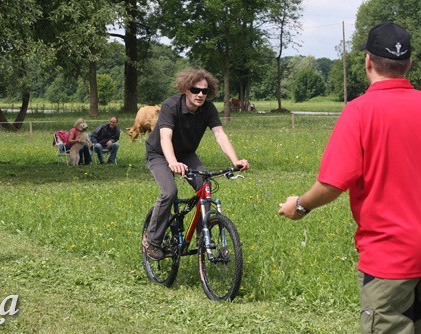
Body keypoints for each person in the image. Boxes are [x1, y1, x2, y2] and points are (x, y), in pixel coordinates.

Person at [278, 22, 421, 333]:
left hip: (390, 258)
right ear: (409, 64)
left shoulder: (360, 111)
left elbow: (331, 184)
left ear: (368, 62)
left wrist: (299, 206)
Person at [142, 67, 249, 260]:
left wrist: (236, 160)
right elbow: (165, 137)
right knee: (170, 192)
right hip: (159, 153)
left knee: (204, 188)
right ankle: (152, 241)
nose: (200, 95)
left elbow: (219, 134)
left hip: (187, 153)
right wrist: (173, 162)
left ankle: (203, 237)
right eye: (195, 90)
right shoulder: (171, 105)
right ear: (185, 89)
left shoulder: (208, 108)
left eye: (205, 91)